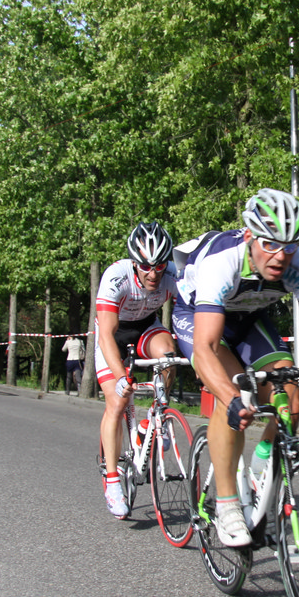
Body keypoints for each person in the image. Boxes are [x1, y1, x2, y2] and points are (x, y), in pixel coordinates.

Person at [171, 188, 299, 546]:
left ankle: (262, 464)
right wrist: (232, 398)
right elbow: (206, 347)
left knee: (290, 399)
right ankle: (227, 504)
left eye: (290, 247)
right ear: (250, 236)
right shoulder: (223, 261)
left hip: (249, 318)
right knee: (233, 394)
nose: (281, 256)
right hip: (198, 318)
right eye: (270, 244)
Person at [95, 222, 180, 518]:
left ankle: (154, 419)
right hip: (113, 334)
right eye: (145, 266)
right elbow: (106, 335)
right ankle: (112, 481)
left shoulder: (173, 275)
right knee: (117, 401)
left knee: (168, 355)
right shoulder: (116, 277)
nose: (153, 274)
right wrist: (121, 377)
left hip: (145, 327)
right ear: (134, 262)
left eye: (159, 266)